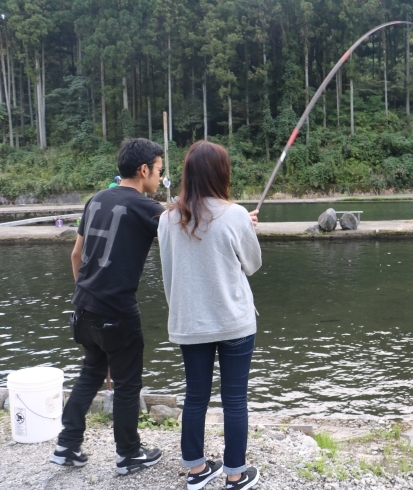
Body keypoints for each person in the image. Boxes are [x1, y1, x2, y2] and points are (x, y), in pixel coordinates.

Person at [51, 138, 166, 475]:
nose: (160, 177)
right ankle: (128, 454)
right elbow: (187, 229)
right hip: (117, 310)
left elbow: (76, 255)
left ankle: (67, 444)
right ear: (143, 170)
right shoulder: (147, 208)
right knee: (128, 384)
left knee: (90, 373)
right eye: (159, 170)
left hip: (83, 306)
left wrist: (87, 292)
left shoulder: (97, 198)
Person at [158, 141, 261, 490]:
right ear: (222, 173)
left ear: (187, 174)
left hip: (190, 323)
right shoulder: (234, 214)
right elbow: (252, 264)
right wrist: (247, 227)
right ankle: (235, 474)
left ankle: (196, 470)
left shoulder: (166, 218)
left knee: (195, 396)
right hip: (234, 321)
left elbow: (172, 269)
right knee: (234, 398)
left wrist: (240, 224)